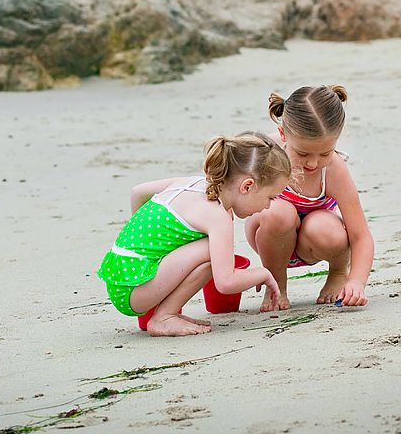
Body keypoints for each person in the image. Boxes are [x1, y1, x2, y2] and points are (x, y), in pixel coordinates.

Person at [98, 132, 291, 336]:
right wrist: (264, 274)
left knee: (207, 248)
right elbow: (226, 282)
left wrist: (145, 245)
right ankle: (164, 317)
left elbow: (138, 192)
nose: (269, 205)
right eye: (271, 197)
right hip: (134, 292)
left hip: (121, 276)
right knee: (213, 250)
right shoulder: (217, 215)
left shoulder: (192, 182)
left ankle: (165, 313)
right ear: (247, 186)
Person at [245, 85, 374, 311]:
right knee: (278, 212)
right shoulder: (264, 152)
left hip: (313, 242)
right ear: (284, 134)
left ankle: (337, 272)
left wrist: (356, 281)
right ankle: (276, 284)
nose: (313, 164)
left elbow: (360, 234)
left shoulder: (334, 169)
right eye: (302, 153)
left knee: (324, 227)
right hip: (270, 236)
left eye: (325, 153)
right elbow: (225, 193)